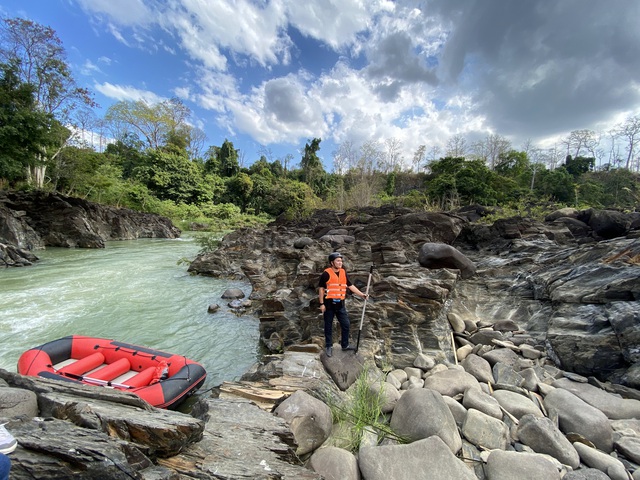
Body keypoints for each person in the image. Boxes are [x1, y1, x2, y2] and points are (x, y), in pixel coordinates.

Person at [318, 252, 368, 357]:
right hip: (329, 304)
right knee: (328, 325)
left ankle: (344, 345)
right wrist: (322, 304)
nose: (340, 262)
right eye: (338, 260)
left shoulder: (343, 272)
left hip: (340, 304)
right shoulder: (326, 273)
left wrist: (362, 295)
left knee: (346, 324)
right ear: (332, 262)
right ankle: (328, 346)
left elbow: (350, 286)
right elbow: (321, 289)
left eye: (341, 260)